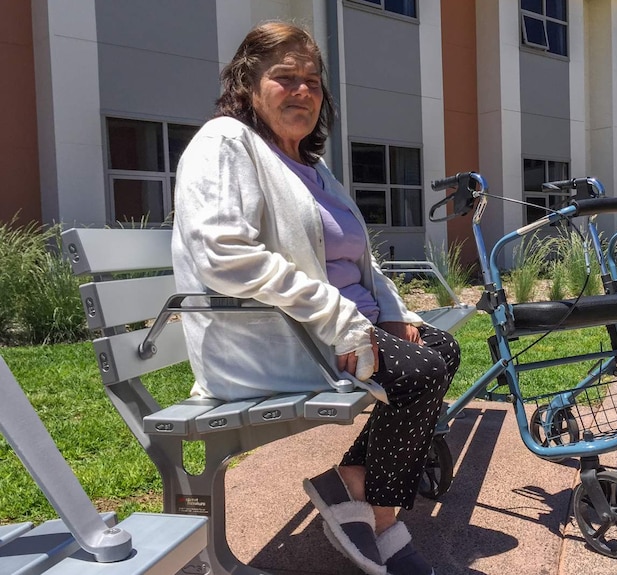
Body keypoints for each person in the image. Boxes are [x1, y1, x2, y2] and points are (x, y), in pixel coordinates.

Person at [171, 21, 459, 575]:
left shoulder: (312, 165)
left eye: (312, 81)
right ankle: (379, 518)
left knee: (441, 350)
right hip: (281, 338)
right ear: (248, 83)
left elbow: (361, 261)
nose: (302, 91)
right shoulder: (225, 142)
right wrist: (342, 323)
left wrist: (394, 314)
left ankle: (349, 482)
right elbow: (225, 254)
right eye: (285, 78)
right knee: (421, 371)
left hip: (336, 329)